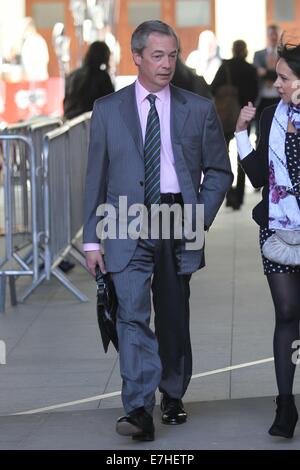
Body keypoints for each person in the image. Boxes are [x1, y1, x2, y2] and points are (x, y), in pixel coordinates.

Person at [83, 20, 233, 442]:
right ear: (137, 57)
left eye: (172, 55)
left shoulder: (197, 108)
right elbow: (96, 177)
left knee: (172, 314)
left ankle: (172, 392)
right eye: (157, 56)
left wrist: (197, 217)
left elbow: (220, 172)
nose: (167, 65)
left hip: (176, 219)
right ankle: (137, 407)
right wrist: (92, 239)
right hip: (123, 219)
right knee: (130, 314)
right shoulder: (108, 109)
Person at [235, 38, 300, 439]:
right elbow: (259, 176)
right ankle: (285, 404)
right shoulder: (272, 115)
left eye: (284, 77)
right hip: (277, 231)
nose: (275, 83)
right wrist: (242, 132)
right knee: (287, 313)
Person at [211, 40, 259, 209]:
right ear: (245, 51)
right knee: (243, 155)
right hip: (244, 115)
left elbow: (213, 88)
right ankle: (239, 196)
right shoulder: (251, 69)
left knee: (224, 156)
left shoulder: (226, 67)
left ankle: (228, 193)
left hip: (225, 117)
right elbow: (255, 93)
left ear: (232, 50)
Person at [63, 41, 114, 119]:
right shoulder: (102, 77)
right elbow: (111, 105)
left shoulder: (72, 75)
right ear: (104, 57)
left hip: (70, 125)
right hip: (90, 125)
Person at [253, 25, 281, 139]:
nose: (273, 37)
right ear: (267, 36)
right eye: (271, 34)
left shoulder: (282, 53)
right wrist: (274, 73)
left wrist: (266, 73)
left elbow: (282, 73)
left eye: (275, 34)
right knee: (261, 130)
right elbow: (256, 74)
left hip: (279, 96)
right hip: (263, 97)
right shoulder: (259, 54)